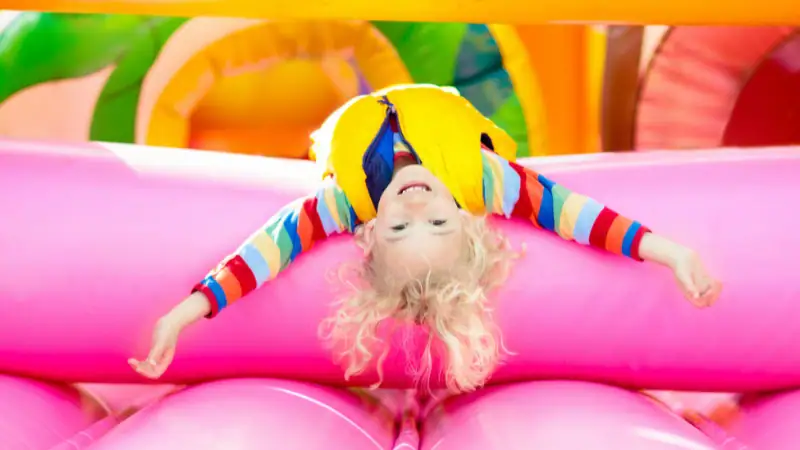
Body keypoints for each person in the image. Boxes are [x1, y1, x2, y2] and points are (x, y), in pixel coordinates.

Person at [129, 84, 721, 392]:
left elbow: (269, 249)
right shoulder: (487, 183)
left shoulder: (345, 201)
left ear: (367, 233)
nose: (416, 206)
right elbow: (580, 216)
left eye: (399, 227)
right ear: (466, 220)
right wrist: (669, 251)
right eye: (436, 222)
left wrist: (185, 312)